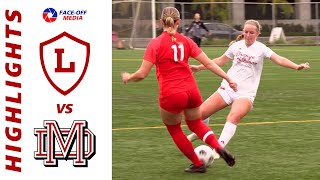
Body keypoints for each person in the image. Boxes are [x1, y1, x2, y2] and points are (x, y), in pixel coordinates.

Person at [121, 7, 237, 173]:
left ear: (161, 22)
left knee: (175, 129)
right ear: (178, 22)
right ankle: (218, 147)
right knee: (196, 123)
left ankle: (198, 164)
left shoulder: (155, 44)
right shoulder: (187, 41)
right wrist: (228, 79)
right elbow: (209, 63)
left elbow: (142, 74)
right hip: (191, 90)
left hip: (172, 93)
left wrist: (129, 77)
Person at [187, 19, 310, 159]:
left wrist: (296, 66)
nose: (248, 35)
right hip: (227, 89)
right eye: (246, 32)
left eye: (252, 32)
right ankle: (200, 132)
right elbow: (219, 61)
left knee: (233, 116)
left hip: (245, 94)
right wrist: (199, 67)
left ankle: (218, 148)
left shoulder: (261, 48)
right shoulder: (236, 46)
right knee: (198, 115)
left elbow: (279, 59)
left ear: (257, 34)